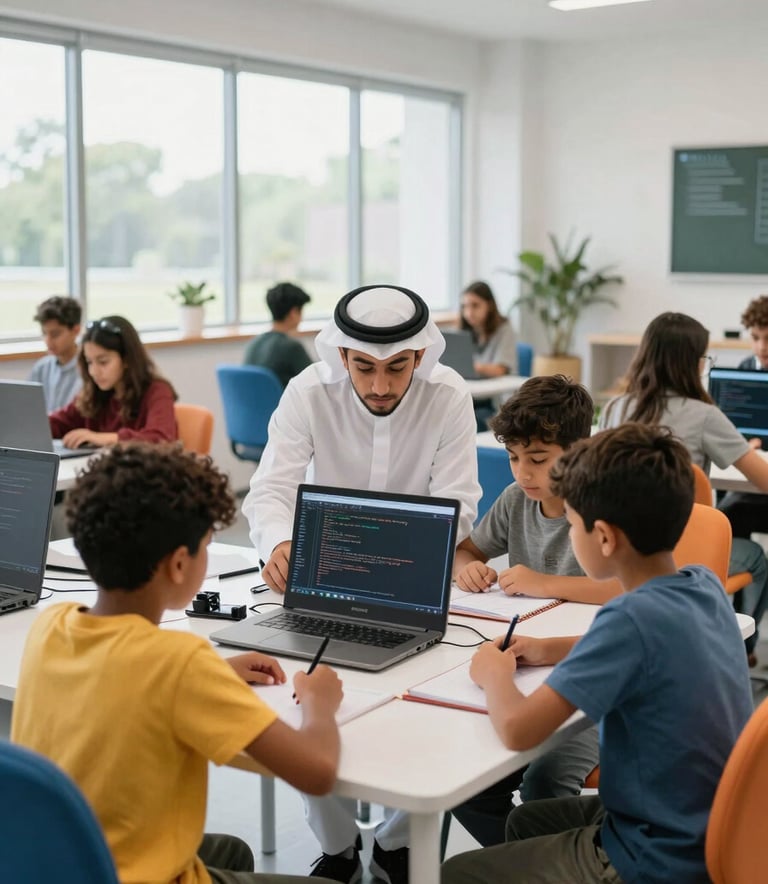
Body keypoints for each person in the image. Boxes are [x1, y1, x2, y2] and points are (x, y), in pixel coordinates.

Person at [11, 443, 341, 884]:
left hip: (62, 862)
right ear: (180, 565)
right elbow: (317, 774)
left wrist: (212, 677)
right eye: (207, 545)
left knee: (231, 852)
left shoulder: (51, 625)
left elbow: (124, 678)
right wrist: (319, 701)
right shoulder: (180, 665)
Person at [441, 424, 753, 884]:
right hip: (708, 826)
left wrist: (493, 675)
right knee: (521, 824)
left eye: (571, 523)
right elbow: (649, 649)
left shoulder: (626, 621)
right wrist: (548, 648)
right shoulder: (700, 584)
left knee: (460, 872)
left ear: (603, 538)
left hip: (653, 853)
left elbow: (517, 730)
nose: (569, 530)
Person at [243, 284, 481, 884]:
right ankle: (340, 849)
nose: (380, 386)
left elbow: (458, 503)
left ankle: (400, 846)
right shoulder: (307, 391)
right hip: (323, 582)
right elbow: (271, 490)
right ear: (342, 356)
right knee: (303, 694)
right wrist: (278, 543)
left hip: (417, 582)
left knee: (436, 703)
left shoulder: (449, 396)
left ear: (420, 358)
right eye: (365, 368)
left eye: (397, 368)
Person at [449, 375, 618, 847]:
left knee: (545, 780)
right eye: (514, 458)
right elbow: (466, 551)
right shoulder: (516, 501)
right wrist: (469, 569)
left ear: (579, 450)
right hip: (540, 660)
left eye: (538, 460)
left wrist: (543, 582)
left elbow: (626, 587)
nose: (523, 473)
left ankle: (550, 864)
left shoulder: (600, 506)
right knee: (467, 778)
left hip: (592, 683)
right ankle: (523, 862)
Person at [600, 311, 768, 664]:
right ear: (690, 363)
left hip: (619, 552)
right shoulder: (704, 415)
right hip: (682, 556)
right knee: (755, 556)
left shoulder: (615, 408)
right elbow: (763, 480)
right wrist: (742, 448)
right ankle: (740, 650)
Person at [48, 315, 178, 448]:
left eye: (103, 362)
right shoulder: (94, 392)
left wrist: (102, 438)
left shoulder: (157, 391)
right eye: (89, 362)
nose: (94, 372)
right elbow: (58, 423)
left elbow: (161, 438)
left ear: (127, 359)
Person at [719, 293, 768, 540]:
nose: (762, 347)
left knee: (731, 509)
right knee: (724, 509)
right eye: (756, 338)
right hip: (748, 470)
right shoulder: (746, 368)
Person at [460, 281, 517, 430]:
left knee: (466, 422)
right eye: (465, 306)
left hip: (494, 402)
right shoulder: (467, 331)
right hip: (472, 398)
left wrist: (471, 366)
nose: (469, 312)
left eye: (475, 305)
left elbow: (500, 369)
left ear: (489, 305)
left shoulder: (504, 329)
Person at [244, 282, 313, 388]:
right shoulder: (292, 347)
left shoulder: (253, 343)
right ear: (293, 313)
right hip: (281, 404)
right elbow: (315, 381)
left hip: (251, 404)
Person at [28, 295, 83, 412]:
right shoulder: (41, 368)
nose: (48, 341)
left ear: (76, 330)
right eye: (44, 333)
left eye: (55, 334)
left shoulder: (88, 371)